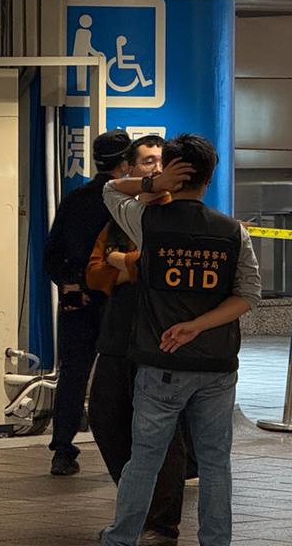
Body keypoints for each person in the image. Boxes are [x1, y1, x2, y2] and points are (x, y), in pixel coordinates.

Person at [100, 134, 261, 546]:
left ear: (171, 172)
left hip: (161, 364)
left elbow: (109, 188)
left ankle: (121, 538)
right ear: (209, 178)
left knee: (145, 461)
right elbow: (248, 294)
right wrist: (200, 325)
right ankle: (216, 541)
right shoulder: (232, 232)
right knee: (214, 464)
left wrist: (155, 184)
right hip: (217, 367)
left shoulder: (146, 222)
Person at [86, 135, 190, 546]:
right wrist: (128, 265)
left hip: (160, 337)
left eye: (161, 162)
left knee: (163, 431)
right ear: (130, 168)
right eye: (147, 161)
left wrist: (122, 262)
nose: (154, 168)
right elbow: (94, 273)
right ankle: (135, 503)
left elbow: (156, 267)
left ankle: (161, 523)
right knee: (105, 416)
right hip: (116, 337)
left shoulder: (178, 216)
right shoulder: (117, 216)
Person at [43, 129, 132, 476]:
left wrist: (69, 285)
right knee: (126, 375)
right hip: (118, 302)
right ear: (125, 163)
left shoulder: (75, 199)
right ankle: (128, 451)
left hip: (76, 302)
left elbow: (51, 255)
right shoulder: (127, 203)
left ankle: (62, 450)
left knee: (73, 374)